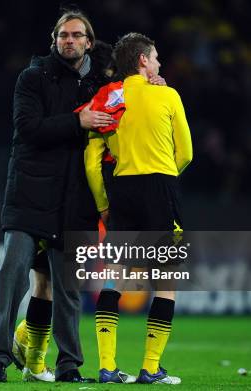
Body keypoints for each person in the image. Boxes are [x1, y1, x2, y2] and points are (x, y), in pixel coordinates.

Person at [0, 9, 116, 383]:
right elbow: (27, 129)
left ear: (89, 42)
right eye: (63, 36)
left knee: (69, 288)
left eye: (76, 36)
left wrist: (151, 82)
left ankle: (69, 365)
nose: (69, 41)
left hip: (76, 201)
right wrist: (78, 121)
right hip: (28, 194)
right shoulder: (33, 77)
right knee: (12, 276)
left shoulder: (102, 86)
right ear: (54, 40)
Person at [85, 32, 192, 385]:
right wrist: (164, 176)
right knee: (165, 281)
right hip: (161, 187)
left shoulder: (107, 98)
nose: (160, 63)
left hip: (122, 188)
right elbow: (187, 153)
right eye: (156, 57)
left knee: (113, 279)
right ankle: (150, 368)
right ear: (143, 60)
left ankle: (106, 367)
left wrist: (103, 204)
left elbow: (91, 161)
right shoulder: (167, 94)